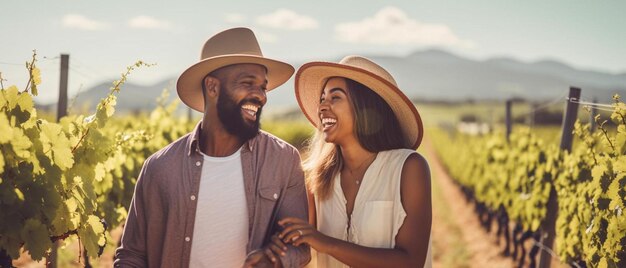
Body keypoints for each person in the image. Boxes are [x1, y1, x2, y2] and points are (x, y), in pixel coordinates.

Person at [114, 27, 310, 268]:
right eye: (248, 83)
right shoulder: (159, 168)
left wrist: (275, 261)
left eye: (263, 87)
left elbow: (299, 246)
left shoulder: (283, 160)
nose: (260, 96)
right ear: (213, 87)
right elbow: (131, 256)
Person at [265, 56, 432, 267]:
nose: (322, 107)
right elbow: (293, 239)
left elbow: (411, 262)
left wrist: (326, 244)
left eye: (335, 97)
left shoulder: (408, 167)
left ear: (366, 108)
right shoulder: (316, 178)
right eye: (322, 99)